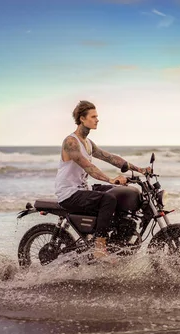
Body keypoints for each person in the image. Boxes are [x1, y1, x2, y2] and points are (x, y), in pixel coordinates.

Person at [55, 100, 150, 260]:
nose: (97, 119)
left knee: (121, 194)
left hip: (82, 189)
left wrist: (139, 170)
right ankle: (99, 246)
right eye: (93, 116)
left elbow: (111, 158)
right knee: (108, 199)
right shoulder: (71, 142)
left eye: (97, 116)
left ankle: (118, 242)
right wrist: (110, 179)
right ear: (82, 119)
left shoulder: (88, 143)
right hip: (69, 193)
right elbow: (87, 166)